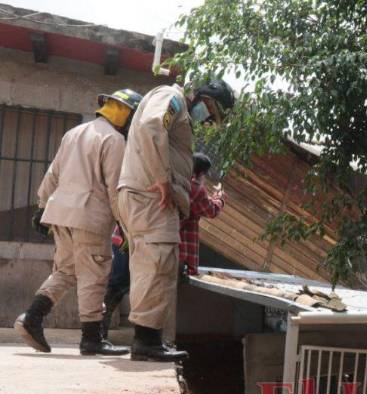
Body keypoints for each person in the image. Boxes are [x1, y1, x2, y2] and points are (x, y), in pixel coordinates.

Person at [15, 88, 143, 356]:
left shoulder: (74, 133)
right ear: (126, 113)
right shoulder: (114, 140)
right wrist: (128, 229)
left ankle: (32, 318)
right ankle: (92, 339)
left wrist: (41, 206)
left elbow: (53, 172)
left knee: (65, 271)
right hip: (90, 218)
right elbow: (114, 190)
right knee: (94, 276)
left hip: (60, 214)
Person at [117, 79, 235, 362]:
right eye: (210, 111)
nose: (207, 120)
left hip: (146, 198)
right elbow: (150, 126)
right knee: (158, 263)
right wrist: (162, 179)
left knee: (153, 265)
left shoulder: (178, 108)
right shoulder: (173, 98)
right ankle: (146, 341)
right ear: (202, 97)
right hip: (151, 198)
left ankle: (149, 338)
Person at [179, 153, 227, 276]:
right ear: (202, 174)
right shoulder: (197, 189)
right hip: (181, 248)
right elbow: (212, 211)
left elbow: (199, 204)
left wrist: (213, 198)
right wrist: (220, 199)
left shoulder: (182, 183)